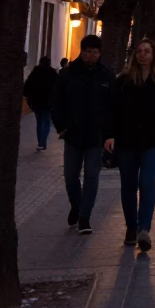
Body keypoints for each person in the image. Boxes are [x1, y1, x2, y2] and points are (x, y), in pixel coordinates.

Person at [105, 38, 155, 252]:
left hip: (153, 140)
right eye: (139, 51)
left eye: (147, 51)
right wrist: (109, 135)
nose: (142, 55)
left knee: (147, 182)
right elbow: (112, 110)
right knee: (128, 185)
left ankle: (144, 229)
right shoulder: (123, 80)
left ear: (153, 55)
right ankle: (131, 225)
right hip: (127, 139)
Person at [50, 34, 114, 234]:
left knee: (92, 176)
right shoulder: (68, 75)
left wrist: (109, 134)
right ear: (82, 51)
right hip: (73, 134)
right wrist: (62, 126)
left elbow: (113, 108)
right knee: (70, 175)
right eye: (87, 51)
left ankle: (85, 216)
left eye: (95, 52)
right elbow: (56, 102)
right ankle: (76, 206)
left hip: (96, 136)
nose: (91, 55)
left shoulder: (107, 76)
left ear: (99, 53)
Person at [24, 56, 58, 151]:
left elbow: (27, 85)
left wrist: (26, 96)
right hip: (48, 102)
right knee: (46, 121)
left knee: (39, 122)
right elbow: (58, 87)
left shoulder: (35, 72)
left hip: (36, 101)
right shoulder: (52, 73)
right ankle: (43, 142)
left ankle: (40, 142)